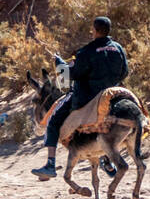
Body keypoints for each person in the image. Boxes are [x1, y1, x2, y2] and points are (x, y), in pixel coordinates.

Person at [32, 16, 128, 180]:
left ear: (94, 30)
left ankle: (50, 164)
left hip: (89, 96)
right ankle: (107, 161)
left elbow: (70, 77)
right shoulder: (118, 48)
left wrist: (60, 64)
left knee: (54, 121)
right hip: (114, 93)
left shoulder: (87, 51)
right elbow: (125, 72)